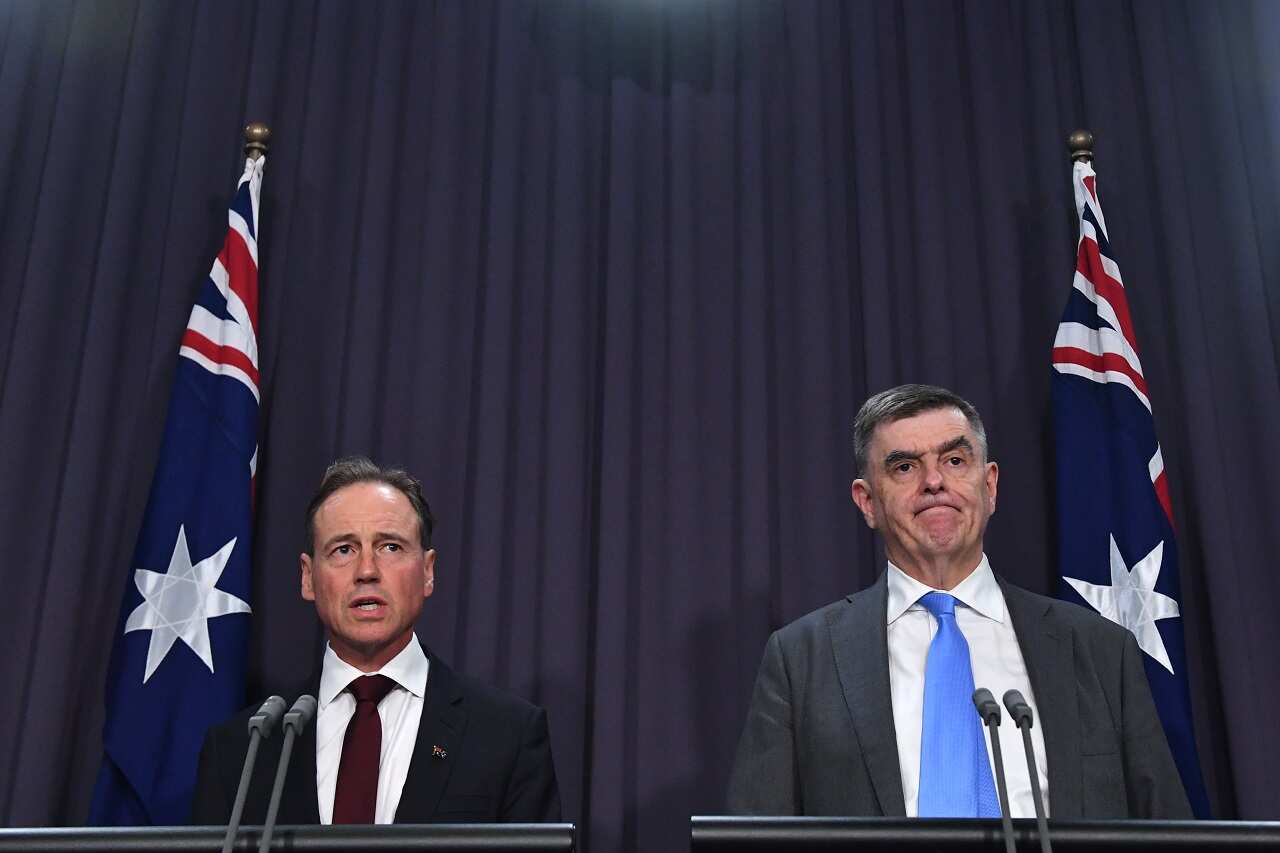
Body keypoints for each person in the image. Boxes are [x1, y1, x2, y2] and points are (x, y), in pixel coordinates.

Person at [726, 384, 1191, 819]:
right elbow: (754, 835)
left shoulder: (1099, 649)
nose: (933, 482)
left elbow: (1167, 829)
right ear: (867, 501)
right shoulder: (801, 659)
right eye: (904, 466)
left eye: (954, 461)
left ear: (989, 486)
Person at [192, 457, 560, 824]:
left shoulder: (507, 738)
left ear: (428, 572)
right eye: (344, 549)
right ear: (308, 577)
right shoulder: (240, 752)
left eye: (390, 547)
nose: (366, 571)